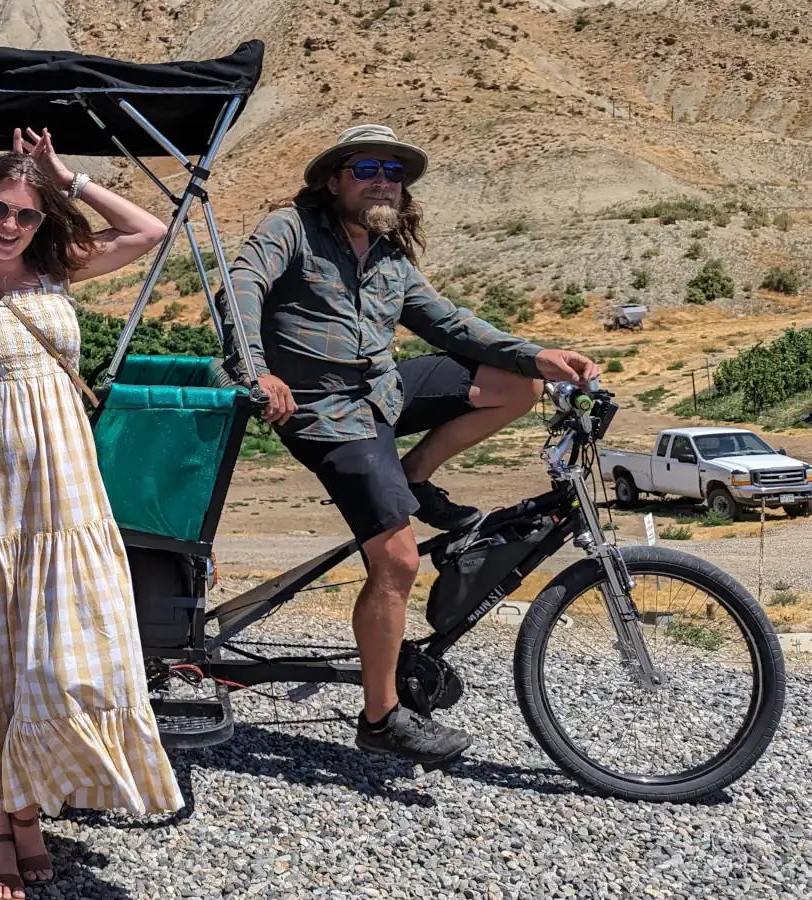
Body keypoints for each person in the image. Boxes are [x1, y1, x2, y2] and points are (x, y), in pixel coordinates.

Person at [220, 123, 599, 768]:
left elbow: (451, 324)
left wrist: (540, 355)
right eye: (368, 167)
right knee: (397, 560)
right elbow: (241, 286)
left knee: (514, 382)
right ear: (335, 178)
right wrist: (255, 368)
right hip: (324, 410)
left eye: (394, 173)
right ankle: (381, 716)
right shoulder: (293, 229)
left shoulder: (392, 259)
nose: (383, 181)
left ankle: (415, 476)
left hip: (382, 393)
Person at [0, 129, 185, 900]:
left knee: (57, 646)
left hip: (63, 488)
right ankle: (2, 821)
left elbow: (150, 231)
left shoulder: (56, 270)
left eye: (25, 214)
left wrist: (65, 177)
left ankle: (34, 801)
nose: (8, 224)